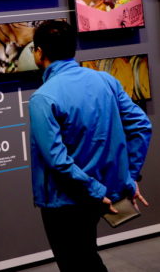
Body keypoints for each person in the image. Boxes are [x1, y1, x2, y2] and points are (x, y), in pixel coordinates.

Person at [28, 20, 152, 272]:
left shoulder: (43, 97)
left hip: (66, 202)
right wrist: (128, 176)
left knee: (78, 265)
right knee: (86, 258)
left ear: (39, 52)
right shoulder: (106, 80)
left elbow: (57, 160)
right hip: (105, 193)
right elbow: (141, 125)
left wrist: (95, 189)